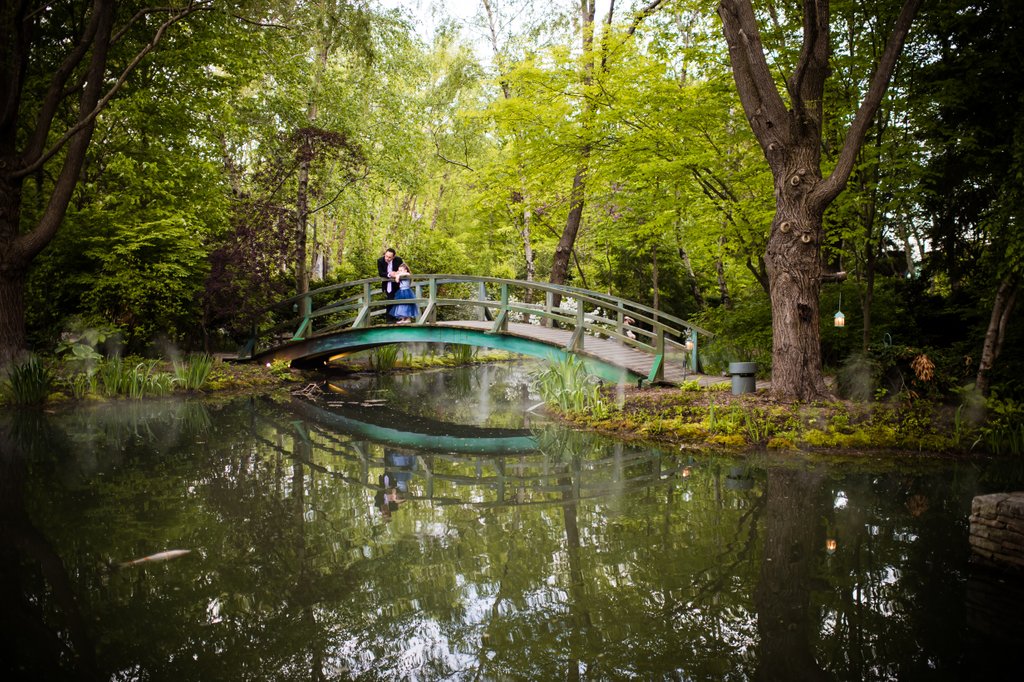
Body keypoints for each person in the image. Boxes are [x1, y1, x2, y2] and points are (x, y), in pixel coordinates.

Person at [376, 248, 404, 323]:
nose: (387, 258)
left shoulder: (398, 260)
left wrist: (397, 273)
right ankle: (389, 320)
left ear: (393, 257)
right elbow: (381, 273)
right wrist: (389, 274)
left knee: (397, 300)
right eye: (386, 256)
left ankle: (397, 318)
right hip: (387, 283)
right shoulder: (380, 260)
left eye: (389, 257)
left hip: (397, 283)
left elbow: (403, 269)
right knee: (390, 300)